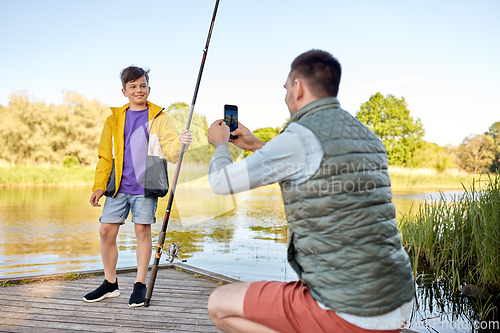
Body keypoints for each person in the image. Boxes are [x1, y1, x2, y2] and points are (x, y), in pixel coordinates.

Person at [206, 50, 415, 333]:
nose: (285, 97)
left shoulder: (300, 135)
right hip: (397, 298)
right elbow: (315, 164)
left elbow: (222, 183)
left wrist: (220, 145)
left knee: (220, 304)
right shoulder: (366, 134)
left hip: (354, 309)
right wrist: (256, 144)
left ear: (298, 87)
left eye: (286, 88)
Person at [83, 66, 192, 307]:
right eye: (132, 87)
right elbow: (105, 157)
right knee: (105, 231)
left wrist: (182, 144)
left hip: (146, 186)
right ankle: (110, 284)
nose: (138, 90)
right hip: (118, 186)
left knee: (142, 232)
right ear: (124, 91)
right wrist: (99, 186)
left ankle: (139, 285)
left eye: (142, 86)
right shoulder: (113, 120)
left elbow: (171, 152)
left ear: (149, 89)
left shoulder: (160, 118)